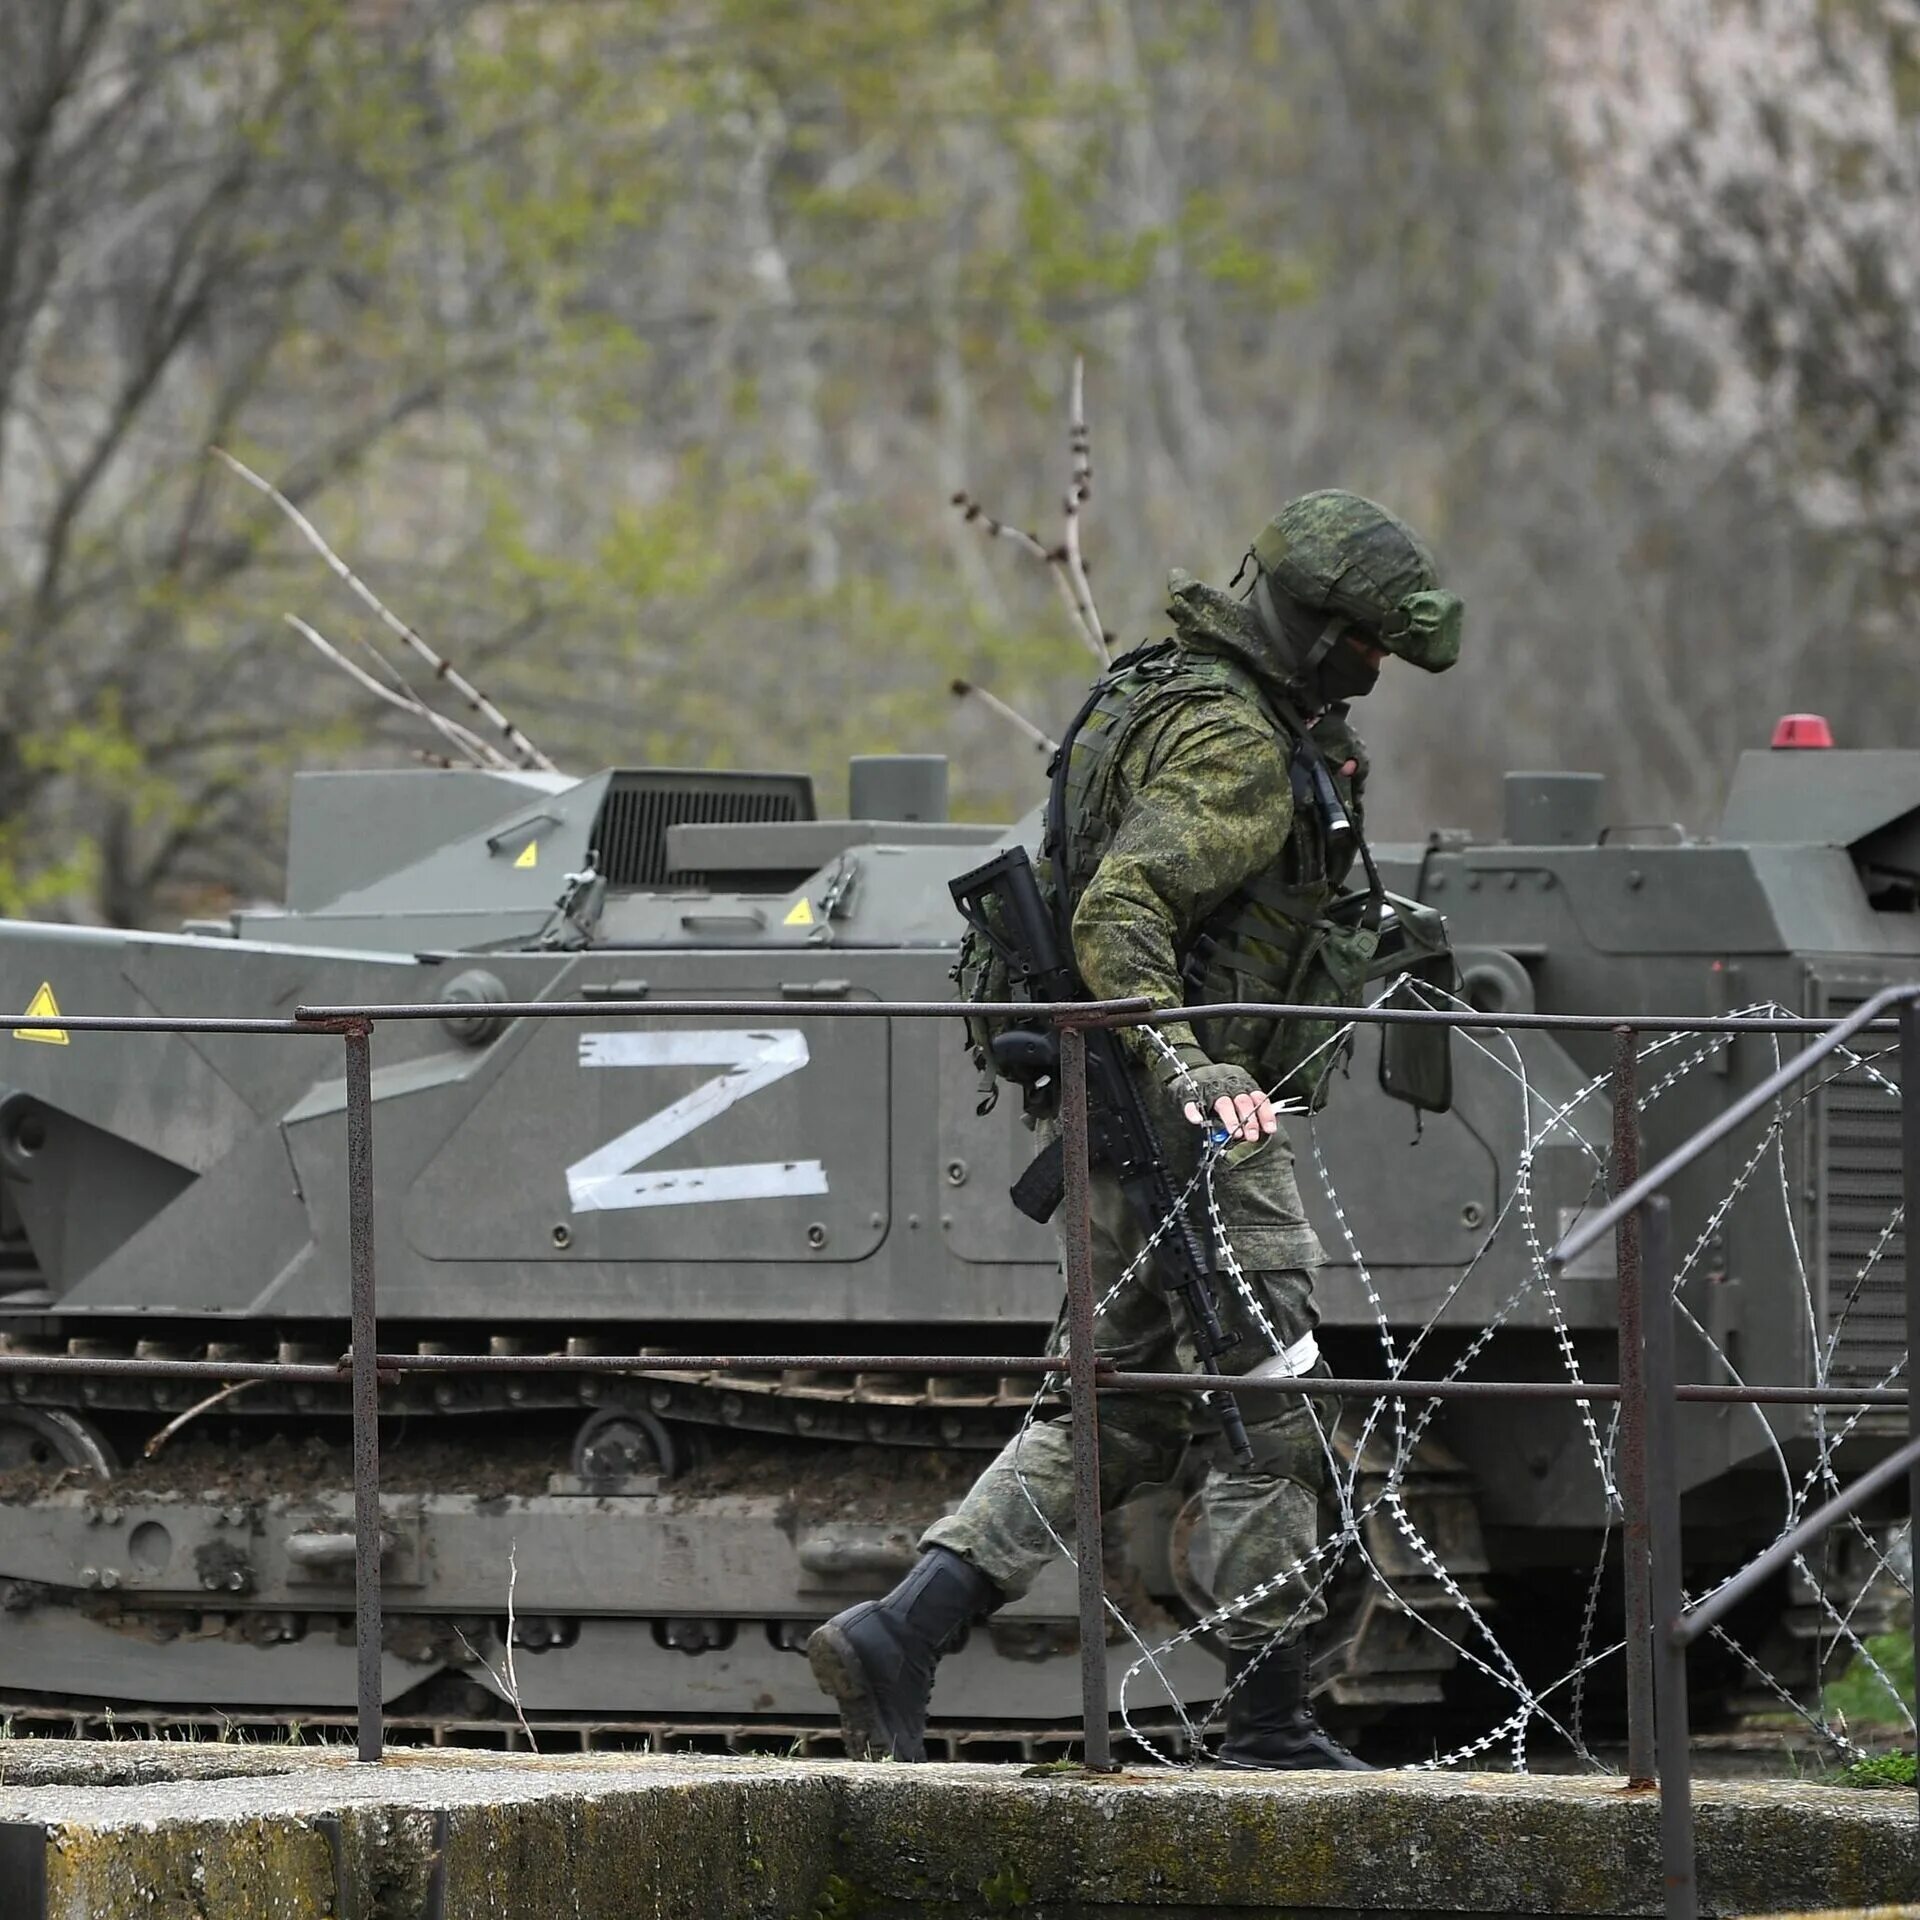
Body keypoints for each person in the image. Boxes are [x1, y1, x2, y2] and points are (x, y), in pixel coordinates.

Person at [807, 490, 1464, 1768]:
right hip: (1197, 1126)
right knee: (1274, 1412)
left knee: (1116, 1417)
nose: (1373, 671)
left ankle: (902, 1631)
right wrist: (1192, 1067)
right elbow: (1122, 911)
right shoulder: (1231, 741)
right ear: (1308, 618)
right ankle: (1269, 1718)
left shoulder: (1159, 689)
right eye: (1363, 643)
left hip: (1131, 1115)